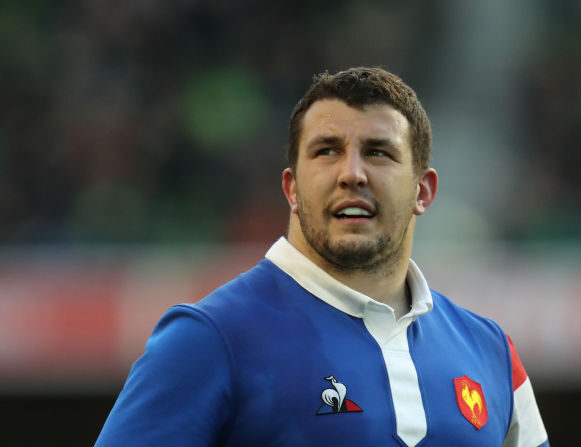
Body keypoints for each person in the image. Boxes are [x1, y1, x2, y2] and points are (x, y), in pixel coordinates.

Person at [95, 67, 549, 447]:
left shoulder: (490, 351)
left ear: (423, 191)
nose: (352, 173)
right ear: (292, 188)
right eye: (327, 151)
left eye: (378, 152)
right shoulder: (210, 339)